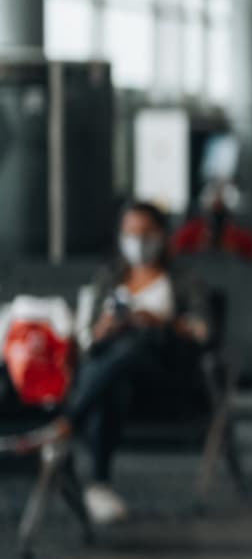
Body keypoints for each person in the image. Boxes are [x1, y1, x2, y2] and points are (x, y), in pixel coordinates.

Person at [16, 202, 212, 525]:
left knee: (135, 344)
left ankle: (68, 422)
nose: (138, 240)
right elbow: (88, 338)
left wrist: (160, 322)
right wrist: (104, 327)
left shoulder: (183, 279)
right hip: (116, 379)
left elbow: (203, 330)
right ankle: (98, 485)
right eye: (130, 233)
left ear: (162, 234)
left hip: (163, 374)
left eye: (146, 233)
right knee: (114, 370)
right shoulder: (110, 277)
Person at [171, 181, 252, 261]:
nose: (217, 214)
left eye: (221, 209)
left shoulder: (241, 235)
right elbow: (176, 253)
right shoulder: (191, 231)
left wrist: (233, 250)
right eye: (214, 208)